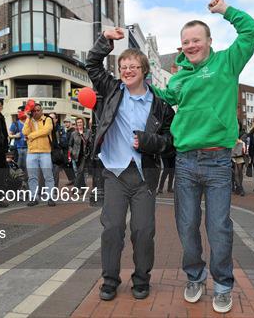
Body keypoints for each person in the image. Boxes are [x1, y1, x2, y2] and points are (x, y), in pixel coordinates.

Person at [151, 0, 254, 313]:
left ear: (209, 41)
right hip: (185, 162)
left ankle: (223, 285)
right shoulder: (180, 77)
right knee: (186, 227)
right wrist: (138, 80)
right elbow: (164, 95)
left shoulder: (227, 62)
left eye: (196, 40)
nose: (190, 45)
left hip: (217, 163)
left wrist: (227, 11)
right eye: (185, 42)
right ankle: (195, 277)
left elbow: (252, 33)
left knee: (218, 228)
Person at [86, 27, 175, 302]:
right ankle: (110, 280)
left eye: (133, 66)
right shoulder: (112, 91)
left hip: (144, 177)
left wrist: (151, 142)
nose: (127, 70)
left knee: (144, 231)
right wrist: (106, 41)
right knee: (112, 229)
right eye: (123, 66)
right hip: (114, 173)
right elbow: (92, 63)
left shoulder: (160, 106)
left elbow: (171, 140)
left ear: (144, 70)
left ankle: (141, 279)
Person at [22, 102, 56, 207]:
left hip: (45, 152)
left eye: (38, 110)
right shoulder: (29, 120)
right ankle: (34, 198)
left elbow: (46, 131)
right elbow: (24, 132)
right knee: (32, 177)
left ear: (42, 111)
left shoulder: (48, 119)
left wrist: (31, 136)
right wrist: (28, 118)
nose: (36, 112)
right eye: (34, 110)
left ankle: (50, 198)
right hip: (31, 152)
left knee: (48, 176)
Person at [69, 117, 91, 189]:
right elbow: (70, 145)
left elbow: (90, 143)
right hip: (76, 155)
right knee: (79, 172)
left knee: (80, 171)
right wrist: (72, 152)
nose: (79, 124)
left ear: (83, 123)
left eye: (80, 122)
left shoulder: (88, 132)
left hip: (85, 155)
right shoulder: (73, 133)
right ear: (76, 124)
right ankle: (83, 187)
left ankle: (75, 187)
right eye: (78, 122)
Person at [231, 120, 248, 196]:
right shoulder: (230, 133)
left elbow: (241, 141)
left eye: (237, 125)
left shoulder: (243, 133)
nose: (236, 126)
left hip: (240, 155)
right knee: (235, 172)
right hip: (232, 154)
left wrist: (236, 139)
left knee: (240, 171)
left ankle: (238, 187)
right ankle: (240, 188)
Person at [60, 118, 75, 185]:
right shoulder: (65, 131)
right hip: (65, 151)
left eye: (67, 122)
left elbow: (69, 142)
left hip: (70, 151)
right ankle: (72, 179)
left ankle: (74, 180)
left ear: (70, 123)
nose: (66, 123)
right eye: (65, 122)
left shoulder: (72, 131)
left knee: (71, 165)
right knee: (67, 165)